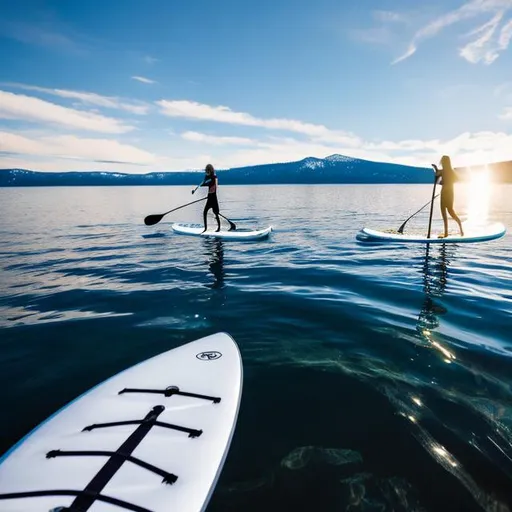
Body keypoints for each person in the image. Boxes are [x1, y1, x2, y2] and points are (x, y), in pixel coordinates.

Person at [432, 155, 464, 238]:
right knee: (451, 212)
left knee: (444, 212)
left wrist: (437, 171)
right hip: (450, 192)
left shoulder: (443, 171)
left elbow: (437, 175)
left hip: (445, 193)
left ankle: (446, 233)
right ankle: (461, 229)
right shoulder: (450, 171)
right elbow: (457, 179)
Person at [192, 163, 221, 232]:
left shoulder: (214, 177)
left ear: (210, 171)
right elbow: (202, 183)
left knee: (216, 213)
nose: (206, 172)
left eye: (207, 171)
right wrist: (195, 190)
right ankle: (205, 228)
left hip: (213, 198)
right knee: (204, 212)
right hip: (209, 198)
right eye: (206, 171)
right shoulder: (206, 177)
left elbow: (215, 186)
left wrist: (210, 187)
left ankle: (219, 228)